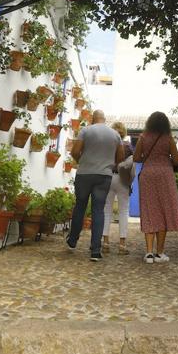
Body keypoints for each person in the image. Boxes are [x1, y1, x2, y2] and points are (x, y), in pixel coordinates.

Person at [68, 110, 124, 262]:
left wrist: (82, 161)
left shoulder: (85, 130)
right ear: (104, 119)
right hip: (104, 176)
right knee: (98, 210)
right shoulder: (115, 135)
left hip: (84, 174)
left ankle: (72, 241)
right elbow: (120, 158)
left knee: (80, 206)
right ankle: (95, 251)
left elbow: (74, 152)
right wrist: (110, 166)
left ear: (93, 119)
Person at [134, 111, 178, 263]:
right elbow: (176, 160)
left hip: (148, 175)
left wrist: (148, 158)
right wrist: (164, 157)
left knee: (150, 211)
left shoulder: (143, 137)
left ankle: (148, 253)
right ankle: (160, 253)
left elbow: (136, 158)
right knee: (163, 212)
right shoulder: (168, 138)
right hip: (164, 176)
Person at [102, 121, 135, 255]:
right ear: (123, 133)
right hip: (122, 179)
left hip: (108, 177)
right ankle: (122, 245)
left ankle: (105, 243)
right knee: (123, 211)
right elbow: (133, 160)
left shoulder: (107, 146)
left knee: (106, 210)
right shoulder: (127, 146)